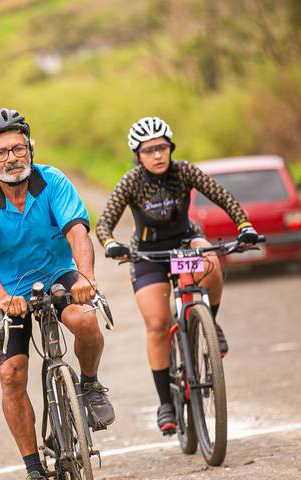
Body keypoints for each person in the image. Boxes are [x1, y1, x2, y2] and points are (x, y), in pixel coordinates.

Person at [0, 108, 115, 480]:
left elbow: (77, 231)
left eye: (18, 148)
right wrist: (1, 297)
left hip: (57, 273)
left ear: (30, 148)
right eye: (0, 152)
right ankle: (34, 473)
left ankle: (90, 385)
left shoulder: (53, 181)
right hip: (8, 292)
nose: (12, 158)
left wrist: (86, 277)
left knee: (86, 320)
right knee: (12, 375)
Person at [95, 116, 259, 434]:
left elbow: (223, 196)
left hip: (185, 244)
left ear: (170, 148)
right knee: (157, 324)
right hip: (148, 255)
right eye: (149, 150)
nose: (157, 155)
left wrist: (244, 225)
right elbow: (104, 224)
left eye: (162, 148)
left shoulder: (184, 171)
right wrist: (111, 244)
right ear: (138, 155)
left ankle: (210, 322)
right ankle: (165, 404)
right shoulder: (131, 182)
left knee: (210, 260)